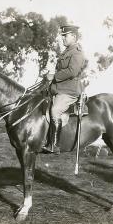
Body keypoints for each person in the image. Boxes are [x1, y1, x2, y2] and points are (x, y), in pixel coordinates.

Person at [42, 24, 88, 154]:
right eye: (62, 36)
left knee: (55, 110)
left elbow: (72, 71)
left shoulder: (77, 52)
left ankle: (54, 145)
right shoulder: (67, 52)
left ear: (73, 36)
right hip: (59, 88)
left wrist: (54, 76)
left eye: (65, 36)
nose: (62, 39)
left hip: (69, 90)